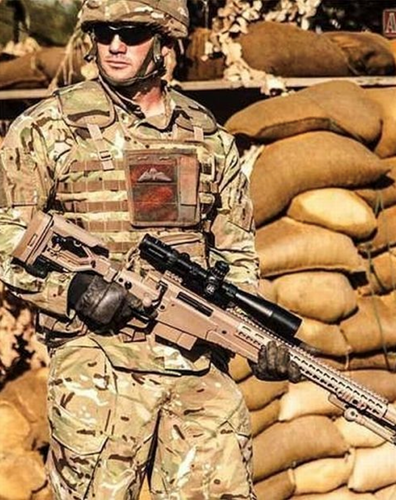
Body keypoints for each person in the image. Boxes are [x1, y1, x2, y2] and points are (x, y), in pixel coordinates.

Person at [0, 0, 300, 498]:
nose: (115, 45)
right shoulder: (47, 127)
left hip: (196, 366)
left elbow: (236, 252)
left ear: (164, 43)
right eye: (104, 33)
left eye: (133, 33)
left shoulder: (207, 137)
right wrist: (71, 288)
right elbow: (6, 232)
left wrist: (253, 336)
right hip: (99, 367)